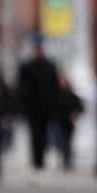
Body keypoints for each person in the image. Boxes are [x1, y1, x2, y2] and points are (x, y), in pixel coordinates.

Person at [17, 39, 61, 172]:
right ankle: (36, 160)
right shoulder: (28, 67)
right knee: (35, 134)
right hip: (33, 107)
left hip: (46, 107)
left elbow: (55, 88)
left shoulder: (50, 66)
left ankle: (41, 159)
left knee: (43, 134)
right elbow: (21, 87)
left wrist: (54, 106)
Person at [55, 72, 84, 170]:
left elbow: (80, 107)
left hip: (69, 123)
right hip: (60, 123)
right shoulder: (57, 95)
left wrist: (75, 115)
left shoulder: (72, 96)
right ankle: (65, 160)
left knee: (67, 142)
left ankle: (67, 161)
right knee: (62, 142)